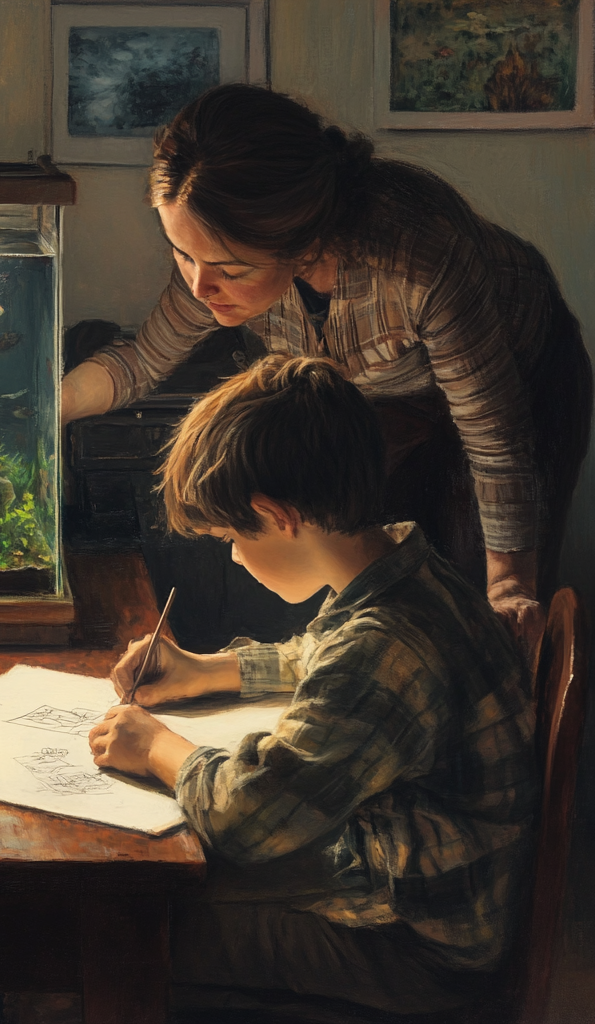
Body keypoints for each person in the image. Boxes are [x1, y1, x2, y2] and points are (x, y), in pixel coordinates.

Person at [61, 84, 592, 661]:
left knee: (474, 602)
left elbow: (495, 440)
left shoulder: (420, 259)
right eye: (182, 255)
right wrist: (47, 407)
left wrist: (509, 589)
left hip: (520, 378)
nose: (198, 286)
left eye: (228, 269)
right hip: (386, 395)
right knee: (353, 561)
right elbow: (143, 360)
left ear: (300, 240)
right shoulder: (219, 254)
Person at [87, 354, 537, 1017]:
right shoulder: (408, 571)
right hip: (423, 884)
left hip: (418, 949)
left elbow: (248, 816)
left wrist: (156, 747)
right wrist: (206, 669)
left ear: (278, 515)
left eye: (234, 536)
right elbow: (317, 656)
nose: (235, 556)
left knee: (132, 928)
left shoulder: (383, 647)